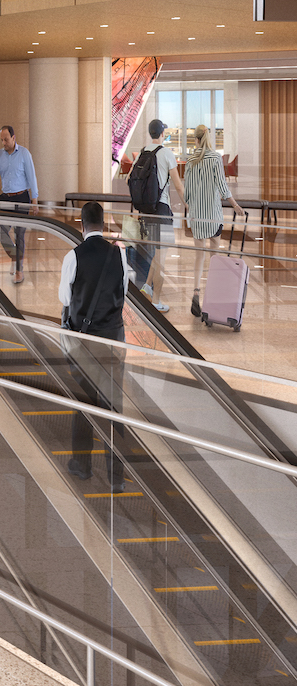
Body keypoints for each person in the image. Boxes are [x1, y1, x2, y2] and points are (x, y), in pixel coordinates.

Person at [61, 199, 131, 488]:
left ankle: (82, 464)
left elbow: (65, 299)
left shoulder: (73, 256)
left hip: (84, 343)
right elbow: (123, 293)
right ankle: (117, 476)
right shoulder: (119, 255)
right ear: (103, 224)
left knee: (84, 402)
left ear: (81, 225)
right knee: (114, 406)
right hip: (113, 340)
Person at [124, 119, 184, 313]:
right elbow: (178, 185)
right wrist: (188, 204)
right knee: (161, 258)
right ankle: (155, 301)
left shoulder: (143, 152)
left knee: (156, 255)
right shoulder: (166, 153)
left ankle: (146, 287)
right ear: (163, 132)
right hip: (162, 211)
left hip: (146, 213)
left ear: (150, 133)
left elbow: (128, 179)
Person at [182, 123, 238, 311]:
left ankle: (196, 292)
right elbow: (223, 188)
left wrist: (192, 207)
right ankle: (212, 295)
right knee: (214, 254)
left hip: (197, 216)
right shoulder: (215, 158)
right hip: (213, 216)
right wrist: (236, 206)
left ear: (196, 140)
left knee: (199, 256)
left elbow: (187, 193)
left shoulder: (190, 160)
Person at [0, 124, 37, 284]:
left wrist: (35, 200)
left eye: (6, 139)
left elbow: (32, 177)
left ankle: (19, 270)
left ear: (13, 138)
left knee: (19, 234)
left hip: (22, 198)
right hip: (6, 199)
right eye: (1, 140)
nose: (3, 142)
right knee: (1, 231)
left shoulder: (24, 154)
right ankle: (16, 258)